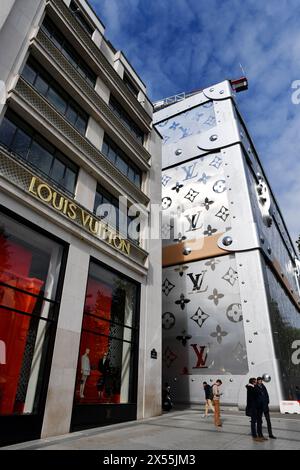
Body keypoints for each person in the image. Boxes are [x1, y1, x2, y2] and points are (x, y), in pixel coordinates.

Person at [245, 377, 266, 442]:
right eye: (255, 381)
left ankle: (260, 435)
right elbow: (257, 392)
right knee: (253, 421)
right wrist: (256, 386)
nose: (256, 382)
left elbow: (260, 393)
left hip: (258, 407)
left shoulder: (254, 387)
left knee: (259, 421)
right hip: (253, 407)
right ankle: (254, 436)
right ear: (252, 382)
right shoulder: (250, 388)